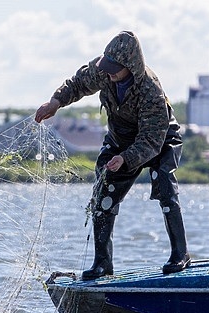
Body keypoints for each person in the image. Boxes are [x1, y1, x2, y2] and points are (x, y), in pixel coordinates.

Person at [35, 31, 191, 280]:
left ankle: (180, 254)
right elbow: (77, 84)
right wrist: (55, 102)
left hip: (160, 140)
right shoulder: (103, 70)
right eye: (107, 68)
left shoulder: (151, 91)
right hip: (120, 140)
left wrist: (127, 159)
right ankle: (102, 263)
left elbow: (151, 140)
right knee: (103, 192)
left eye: (115, 69)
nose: (109, 73)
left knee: (164, 184)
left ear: (130, 66)